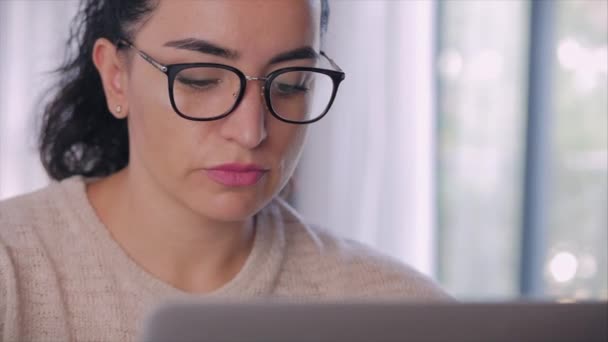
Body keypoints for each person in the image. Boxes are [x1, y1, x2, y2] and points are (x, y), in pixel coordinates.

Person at [0, 0, 449, 340]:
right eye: (200, 78)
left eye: (291, 83)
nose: (251, 130)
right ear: (117, 76)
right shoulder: (14, 270)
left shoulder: (398, 311)